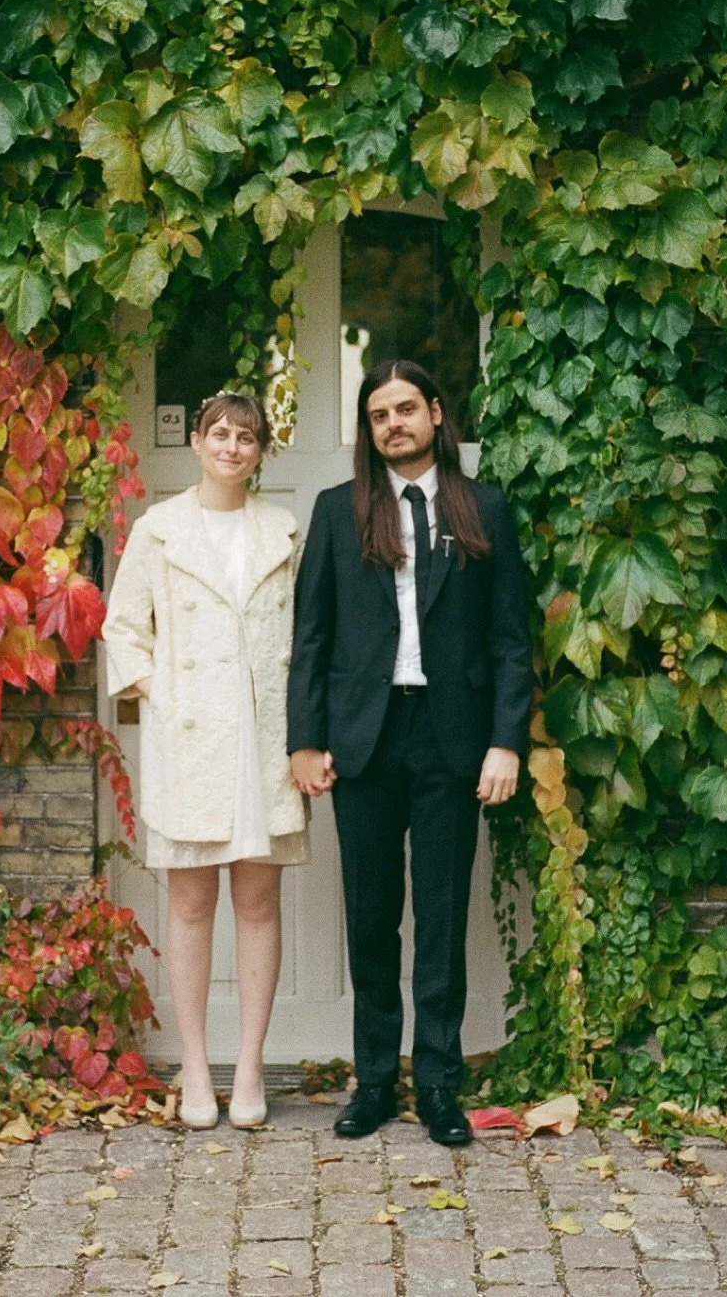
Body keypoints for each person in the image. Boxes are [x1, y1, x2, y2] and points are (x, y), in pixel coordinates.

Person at [287, 359, 530, 1147]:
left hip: (452, 738)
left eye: (405, 409)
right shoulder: (338, 511)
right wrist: (306, 739)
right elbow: (312, 634)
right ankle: (372, 1084)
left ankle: (437, 1085)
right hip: (364, 736)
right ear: (370, 429)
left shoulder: (483, 508)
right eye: (378, 414)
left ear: (435, 412)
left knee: (441, 918)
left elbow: (510, 638)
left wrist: (505, 741)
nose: (393, 424)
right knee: (370, 920)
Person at [103, 392, 308, 1130]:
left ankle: (248, 1067)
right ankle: (194, 1066)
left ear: (260, 452)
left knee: (258, 904)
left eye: (246, 438)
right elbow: (123, 627)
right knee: (190, 906)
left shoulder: (283, 530)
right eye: (219, 433)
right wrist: (164, 692)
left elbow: (306, 634)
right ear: (196, 441)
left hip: (264, 739)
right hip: (192, 739)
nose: (231, 447)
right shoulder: (159, 529)